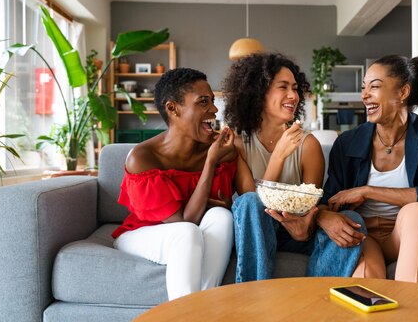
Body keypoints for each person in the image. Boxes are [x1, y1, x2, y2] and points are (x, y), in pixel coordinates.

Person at [222, 53, 366, 282]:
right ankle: (252, 301)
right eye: (283, 87)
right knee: (249, 202)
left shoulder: (308, 145)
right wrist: (278, 156)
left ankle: (319, 307)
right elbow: (255, 204)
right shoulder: (239, 143)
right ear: (258, 92)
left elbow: (310, 203)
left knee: (349, 219)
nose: (294, 96)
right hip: (258, 232)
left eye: (295, 88)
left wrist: (305, 227)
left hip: (298, 227)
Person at [324, 55, 418, 283]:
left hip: (407, 233)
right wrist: (323, 217)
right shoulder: (347, 142)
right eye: (364, 87)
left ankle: (413, 313)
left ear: (402, 93)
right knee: (367, 281)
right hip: (363, 234)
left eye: (374, 87)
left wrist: (367, 191)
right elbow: (328, 199)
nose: (364, 95)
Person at [112, 68, 237, 300]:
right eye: (203, 102)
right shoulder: (143, 157)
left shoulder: (222, 148)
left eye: (212, 100)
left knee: (222, 216)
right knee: (186, 232)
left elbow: (249, 198)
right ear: (173, 109)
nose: (214, 109)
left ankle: (203, 311)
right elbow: (186, 222)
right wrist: (210, 161)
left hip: (190, 231)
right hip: (142, 234)